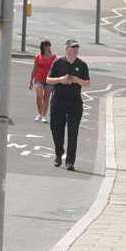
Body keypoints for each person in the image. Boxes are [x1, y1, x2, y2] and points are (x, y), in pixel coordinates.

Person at [46, 39, 90, 171]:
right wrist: (61, 80)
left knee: (73, 132)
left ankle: (70, 162)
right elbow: (48, 80)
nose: (75, 50)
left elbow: (87, 83)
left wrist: (77, 80)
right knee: (56, 129)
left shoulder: (82, 65)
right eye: (73, 47)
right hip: (58, 101)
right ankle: (59, 153)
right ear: (66, 49)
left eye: (77, 47)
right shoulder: (58, 63)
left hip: (74, 102)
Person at [29, 40, 56, 123]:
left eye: (49, 45)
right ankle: (39, 114)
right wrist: (31, 80)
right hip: (39, 79)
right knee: (39, 96)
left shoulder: (54, 57)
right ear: (43, 47)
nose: (48, 47)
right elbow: (35, 69)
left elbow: (56, 69)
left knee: (46, 97)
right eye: (46, 45)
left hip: (49, 79)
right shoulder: (38, 56)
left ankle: (44, 115)